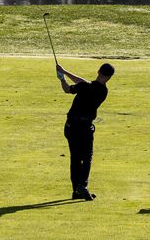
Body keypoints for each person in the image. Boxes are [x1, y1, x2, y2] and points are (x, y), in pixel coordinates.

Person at [58, 62, 115, 201]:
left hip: (71, 126)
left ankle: (76, 190)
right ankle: (82, 186)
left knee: (75, 158)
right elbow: (84, 82)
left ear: (98, 71)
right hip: (84, 128)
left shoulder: (84, 86)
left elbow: (67, 89)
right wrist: (65, 71)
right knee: (87, 158)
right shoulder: (103, 92)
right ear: (109, 77)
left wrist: (62, 77)